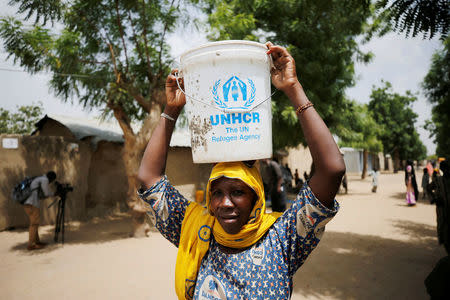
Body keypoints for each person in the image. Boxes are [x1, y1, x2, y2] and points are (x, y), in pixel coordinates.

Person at [137, 42, 345, 299]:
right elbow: (149, 179)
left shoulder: (282, 239)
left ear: (256, 196)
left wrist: (293, 88)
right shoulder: (199, 232)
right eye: (217, 192)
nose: (224, 203)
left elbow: (332, 170)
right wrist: (171, 110)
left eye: (237, 191)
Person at [23, 171, 56, 250]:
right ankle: (31, 244)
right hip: (32, 203)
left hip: (29, 203)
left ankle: (36, 241)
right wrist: (54, 194)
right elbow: (46, 192)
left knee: (35, 223)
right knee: (34, 223)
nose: (51, 182)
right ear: (51, 178)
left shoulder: (39, 178)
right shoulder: (44, 180)